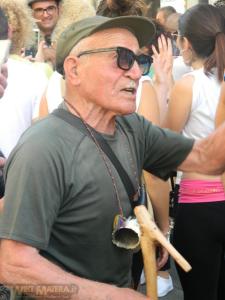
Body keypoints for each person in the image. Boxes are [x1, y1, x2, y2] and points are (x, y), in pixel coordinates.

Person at [1, 15, 225, 300]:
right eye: (121, 58)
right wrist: (109, 296)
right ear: (74, 69)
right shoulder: (43, 148)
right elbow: (14, 265)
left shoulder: (132, 128)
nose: (135, 72)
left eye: (138, 61)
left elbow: (206, 158)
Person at [162, 4, 225, 300]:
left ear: (185, 43)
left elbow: (164, 145)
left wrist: (163, 86)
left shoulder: (189, 85)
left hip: (199, 206)